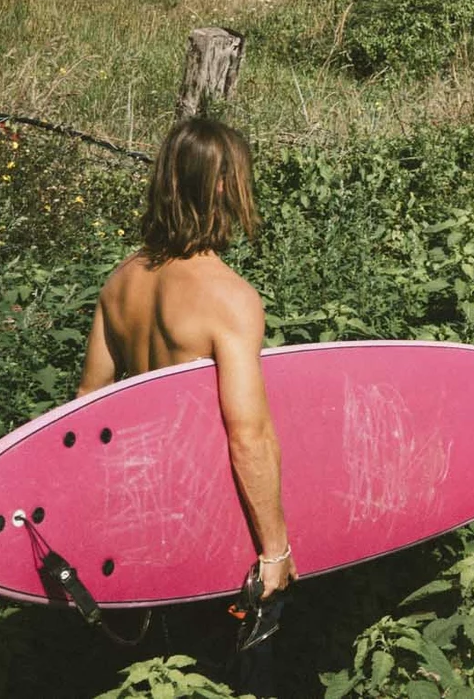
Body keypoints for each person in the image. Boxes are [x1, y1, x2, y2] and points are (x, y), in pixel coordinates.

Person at [77, 118, 292, 691]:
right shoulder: (228, 298)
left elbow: (87, 406)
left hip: (141, 512)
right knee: (234, 671)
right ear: (223, 188)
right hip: (211, 518)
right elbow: (248, 436)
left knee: (155, 668)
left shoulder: (120, 282)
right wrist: (275, 550)